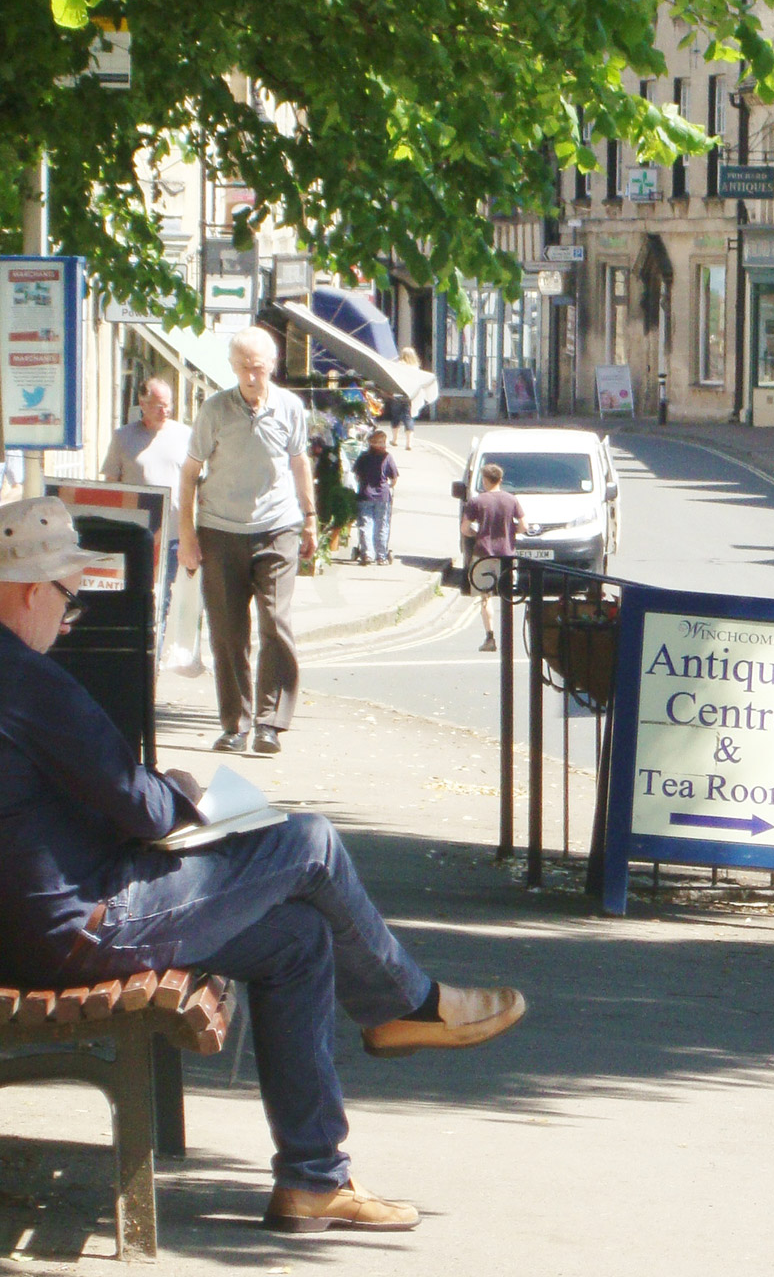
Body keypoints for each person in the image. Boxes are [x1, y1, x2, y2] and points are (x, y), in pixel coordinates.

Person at [0, 496, 526, 1234]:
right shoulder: (25, 681)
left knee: (299, 940)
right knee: (308, 842)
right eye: (66, 595)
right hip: (76, 928)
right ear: (28, 590)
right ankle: (405, 1004)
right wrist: (183, 796)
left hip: (31, 922)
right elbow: (140, 806)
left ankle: (315, 1179)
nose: (70, 613)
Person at [178, 327, 316, 757]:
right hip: (220, 530)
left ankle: (270, 723)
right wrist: (187, 535)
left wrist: (310, 519)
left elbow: (299, 463)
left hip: (278, 528)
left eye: (259, 367)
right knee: (227, 632)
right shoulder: (215, 410)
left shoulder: (291, 408)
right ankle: (235, 724)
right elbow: (188, 474)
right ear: (233, 367)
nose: (253, 376)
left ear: (272, 366)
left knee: (276, 623)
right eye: (244, 368)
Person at [102, 376, 192, 630]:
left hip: (174, 535)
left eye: (169, 405)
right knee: (141, 596)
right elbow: (111, 485)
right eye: (158, 405)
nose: (165, 411)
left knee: (163, 598)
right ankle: (143, 653)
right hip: (136, 534)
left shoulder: (185, 436)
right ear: (142, 403)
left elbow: (198, 484)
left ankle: (154, 654)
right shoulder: (123, 437)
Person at [462, 462, 525, 652]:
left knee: (485, 597)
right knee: (507, 596)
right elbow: (524, 526)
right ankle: (509, 636)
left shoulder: (477, 501)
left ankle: (490, 637)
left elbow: (465, 528)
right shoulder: (511, 500)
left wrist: (476, 533)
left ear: (486, 480)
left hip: (483, 554)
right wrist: (510, 531)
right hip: (506, 554)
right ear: (500, 480)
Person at [352, 429, 398, 566]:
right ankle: (381, 556)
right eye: (379, 442)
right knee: (382, 526)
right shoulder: (387, 457)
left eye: (383, 442)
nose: (382, 444)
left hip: (365, 494)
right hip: (383, 496)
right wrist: (389, 486)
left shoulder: (363, 457)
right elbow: (394, 478)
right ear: (372, 443)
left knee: (366, 525)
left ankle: (367, 554)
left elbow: (357, 475)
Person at [385, 346, 421, 450]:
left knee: (395, 417)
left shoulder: (397, 366)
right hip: (409, 395)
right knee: (408, 418)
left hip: (397, 394)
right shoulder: (415, 368)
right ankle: (409, 443)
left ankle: (395, 439)